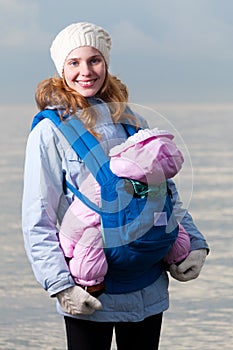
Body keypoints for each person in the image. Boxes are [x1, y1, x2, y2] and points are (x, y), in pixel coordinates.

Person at [22, 22, 209, 350]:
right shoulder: (50, 132)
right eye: (74, 62)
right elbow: (38, 216)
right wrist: (60, 285)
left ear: (106, 64)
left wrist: (193, 244)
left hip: (147, 280)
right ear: (61, 69)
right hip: (89, 287)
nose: (86, 71)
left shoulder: (134, 121)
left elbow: (162, 192)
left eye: (94, 60)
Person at [57, 125, 190, 293]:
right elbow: (175, 205)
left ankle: (90, 281)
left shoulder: (106, 182)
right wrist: (194, 247)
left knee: (91, 236)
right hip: (156, 256)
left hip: (119, 256)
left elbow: (79, 216)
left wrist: (67, 244)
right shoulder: (159, 179)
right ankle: (178, 255)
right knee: (172, 225)